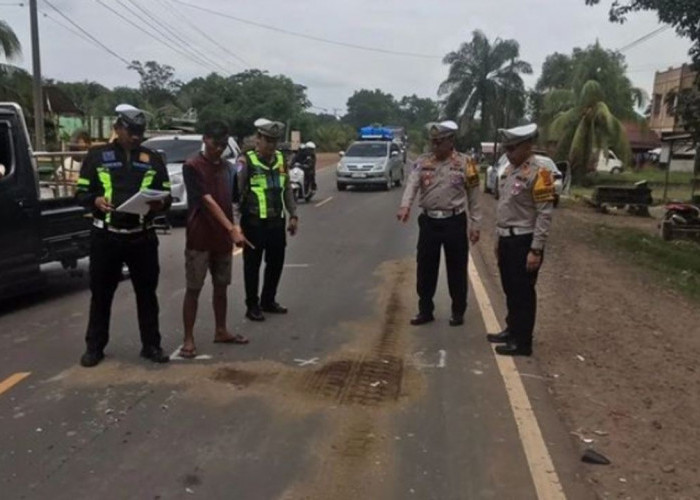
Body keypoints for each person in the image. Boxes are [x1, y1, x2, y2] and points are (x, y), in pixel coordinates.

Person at [76, 104, 171, 367]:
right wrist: (94, 200)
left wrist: (160, 204)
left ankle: (151, 345)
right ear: (117, 129)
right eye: (131, 131)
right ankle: (94, 347)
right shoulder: (97, 156)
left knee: (147, 294)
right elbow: (81, 192)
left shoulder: (152, 158)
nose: (136, 137)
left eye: (140, 132)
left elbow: (166, 196)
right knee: (101, 294)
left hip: (142, 237)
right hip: (107, 237)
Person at [397, 120, 482, 326]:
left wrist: (475, 223)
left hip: (454, 220)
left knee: (457, 268)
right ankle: (425, 310)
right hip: (429, 222)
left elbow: (474, 195)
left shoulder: (465, 163)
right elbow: (413, 183)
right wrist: (405, 205)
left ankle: (458, 310)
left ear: (450, 141)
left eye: (439, 142)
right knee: (425, 268)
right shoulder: (423, 161)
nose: (434, 146)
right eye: (432, 142)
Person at [179, 121, 250, 358]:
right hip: (199, 236)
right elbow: (206, 200)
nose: (218, 149)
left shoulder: (229, 169)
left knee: (221, 287)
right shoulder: (192, 166)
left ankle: (221, 330)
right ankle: (188, 338)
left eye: (222, 145)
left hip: (222, 239)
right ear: (204, 139)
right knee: (194, 288)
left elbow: (234, 202)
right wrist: (231, 228)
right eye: (214, 143)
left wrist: (236, 227)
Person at [486, 124, 555, 356]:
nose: (508, 152)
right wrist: (497, 239)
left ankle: (523, 341)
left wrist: (536, 249)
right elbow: (503, 209)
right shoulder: (509, 171)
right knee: (510, 288)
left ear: (528, 146)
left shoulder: (540, 173)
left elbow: (545, 213)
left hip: (524, 240)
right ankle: (512, 329)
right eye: (506, 148)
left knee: (523, 292)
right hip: (507, 239)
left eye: (513, 148)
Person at [234, 118, 298, 321]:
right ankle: (252, 305)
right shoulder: (247, 162)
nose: (271, 145)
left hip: (276, 222)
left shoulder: (281, 160)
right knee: (252, 266)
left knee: (276, 263)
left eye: (274, 141)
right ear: (258, 139)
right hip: (253, 223)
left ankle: (268, 300)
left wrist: (293, 214)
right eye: (267, 140)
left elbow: (287, 188)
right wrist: (235, 225)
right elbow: (236, 194)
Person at [56, 130, 91, 197]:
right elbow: (59, 177)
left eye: (87, 142)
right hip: (68, 195)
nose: (85, 145)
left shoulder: (90, 161)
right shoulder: (68, 162)